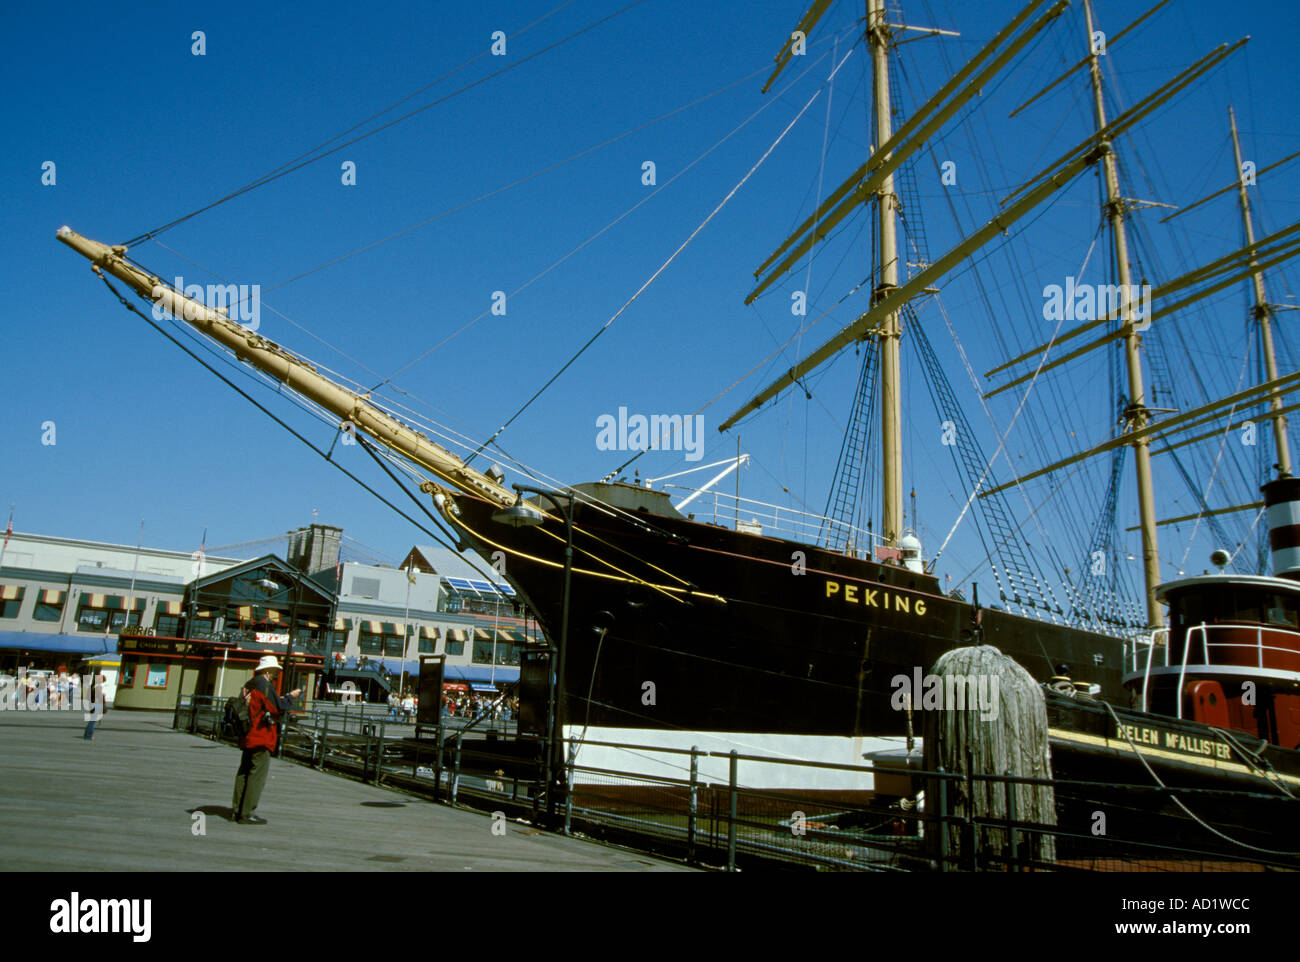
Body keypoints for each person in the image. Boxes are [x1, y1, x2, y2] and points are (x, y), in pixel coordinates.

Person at [231, 655, 302, 825]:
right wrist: (291, 696)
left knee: (244, 773)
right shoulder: (265, 686)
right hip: (260, 736)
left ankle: (237, 810)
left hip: (247, 735)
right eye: (275, 671)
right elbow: (278, 707)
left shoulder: (249, 685)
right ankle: (247, 813)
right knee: (257, 776)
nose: (276, 675)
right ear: (269, 670)